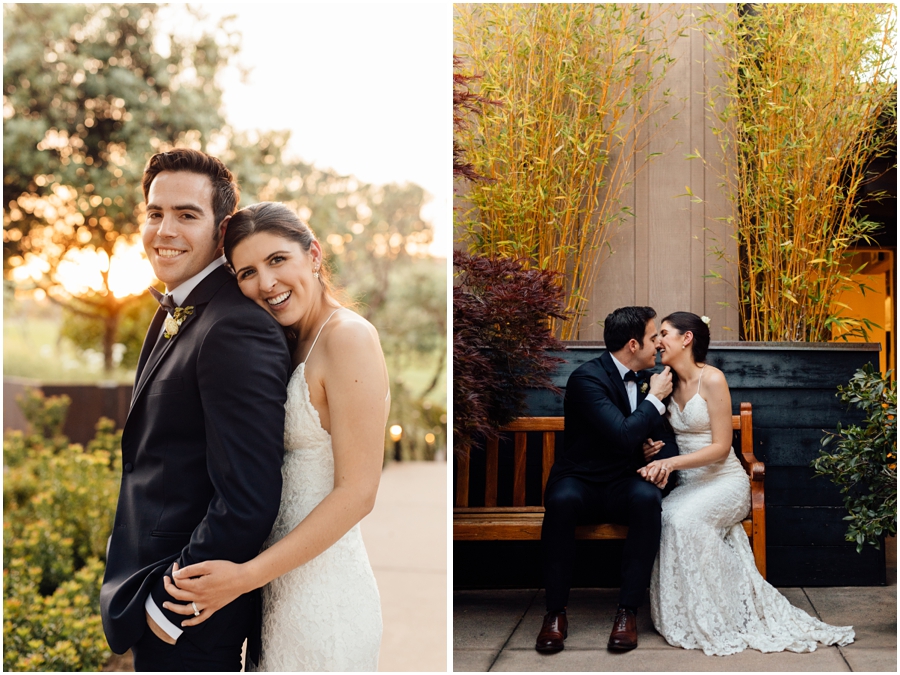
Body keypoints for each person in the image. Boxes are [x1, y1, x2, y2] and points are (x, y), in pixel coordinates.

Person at [161, 202, 388, 671]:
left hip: (324, 598)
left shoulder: (349, 337)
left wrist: (243, 578)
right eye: (247, 272)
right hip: (276, 590)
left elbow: (358, 493)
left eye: (278, 260)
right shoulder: (283, 339)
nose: (265, 283)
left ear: (314, 254)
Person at [100, 149, 293, 671]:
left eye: (187, 215)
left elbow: (248, 494)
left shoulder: (235, 326)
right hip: (149, 592)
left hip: (190, 615)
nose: (165, 229)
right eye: (155, 213)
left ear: (221, 227)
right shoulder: (181, 307)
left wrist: (168, 607)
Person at [642, 311, 855, 655]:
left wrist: (670, 462)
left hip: (725, 483)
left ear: (686, 339)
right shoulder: (663, 383)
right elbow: (661, 432)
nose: (657, 342)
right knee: (665, 515)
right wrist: (651, 447)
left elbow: (722, 447)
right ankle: (686, 612)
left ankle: (728, 611)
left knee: (683, 519)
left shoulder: (712, 379)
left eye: (664, 334)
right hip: (689, 486)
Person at [537, 306, 677, 654]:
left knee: (647, 499)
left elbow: (660, 435)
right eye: (652, 337)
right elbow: (621, 435)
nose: (658, 344)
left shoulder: (649, 378)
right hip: (580, 480)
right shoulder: (587, 379)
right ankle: (555, 613)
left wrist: (655, 457)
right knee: (561, 502)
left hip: (622, 481)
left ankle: (628, 611)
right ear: (633, 344)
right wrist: (653, 399)